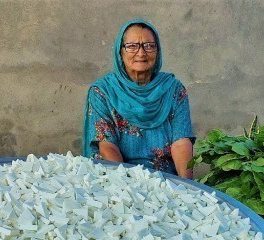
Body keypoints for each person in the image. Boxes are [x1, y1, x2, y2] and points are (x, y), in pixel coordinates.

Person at [82, 19, 194, 179]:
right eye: (132, 46)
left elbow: (181, 142)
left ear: (158, 51)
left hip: (166, 179)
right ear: (120, 52)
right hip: (120, 177)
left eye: (149, 46)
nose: (141, 53)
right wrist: (132, 189)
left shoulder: (173, 89)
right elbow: (107, 146)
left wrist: (188, 189)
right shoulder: (103, 91)